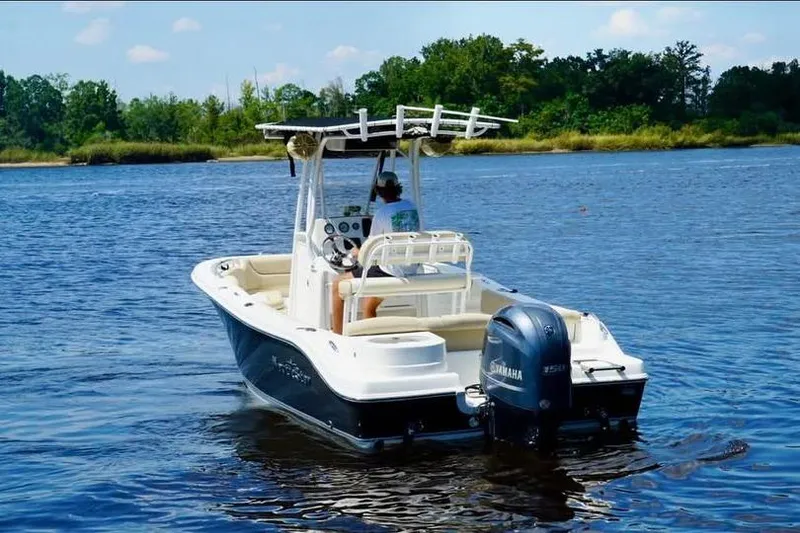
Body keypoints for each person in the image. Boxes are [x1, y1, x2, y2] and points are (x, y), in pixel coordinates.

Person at [330, 170, 420, 334]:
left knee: (337, 285)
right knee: (369, 304)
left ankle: (337, 335)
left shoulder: (382, 213)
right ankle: (370, 335)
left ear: (378, 192)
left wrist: (353, 253)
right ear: (398, 188)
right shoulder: (411, 207)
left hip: (391, 271)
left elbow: (369, 249)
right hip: (411, 269)